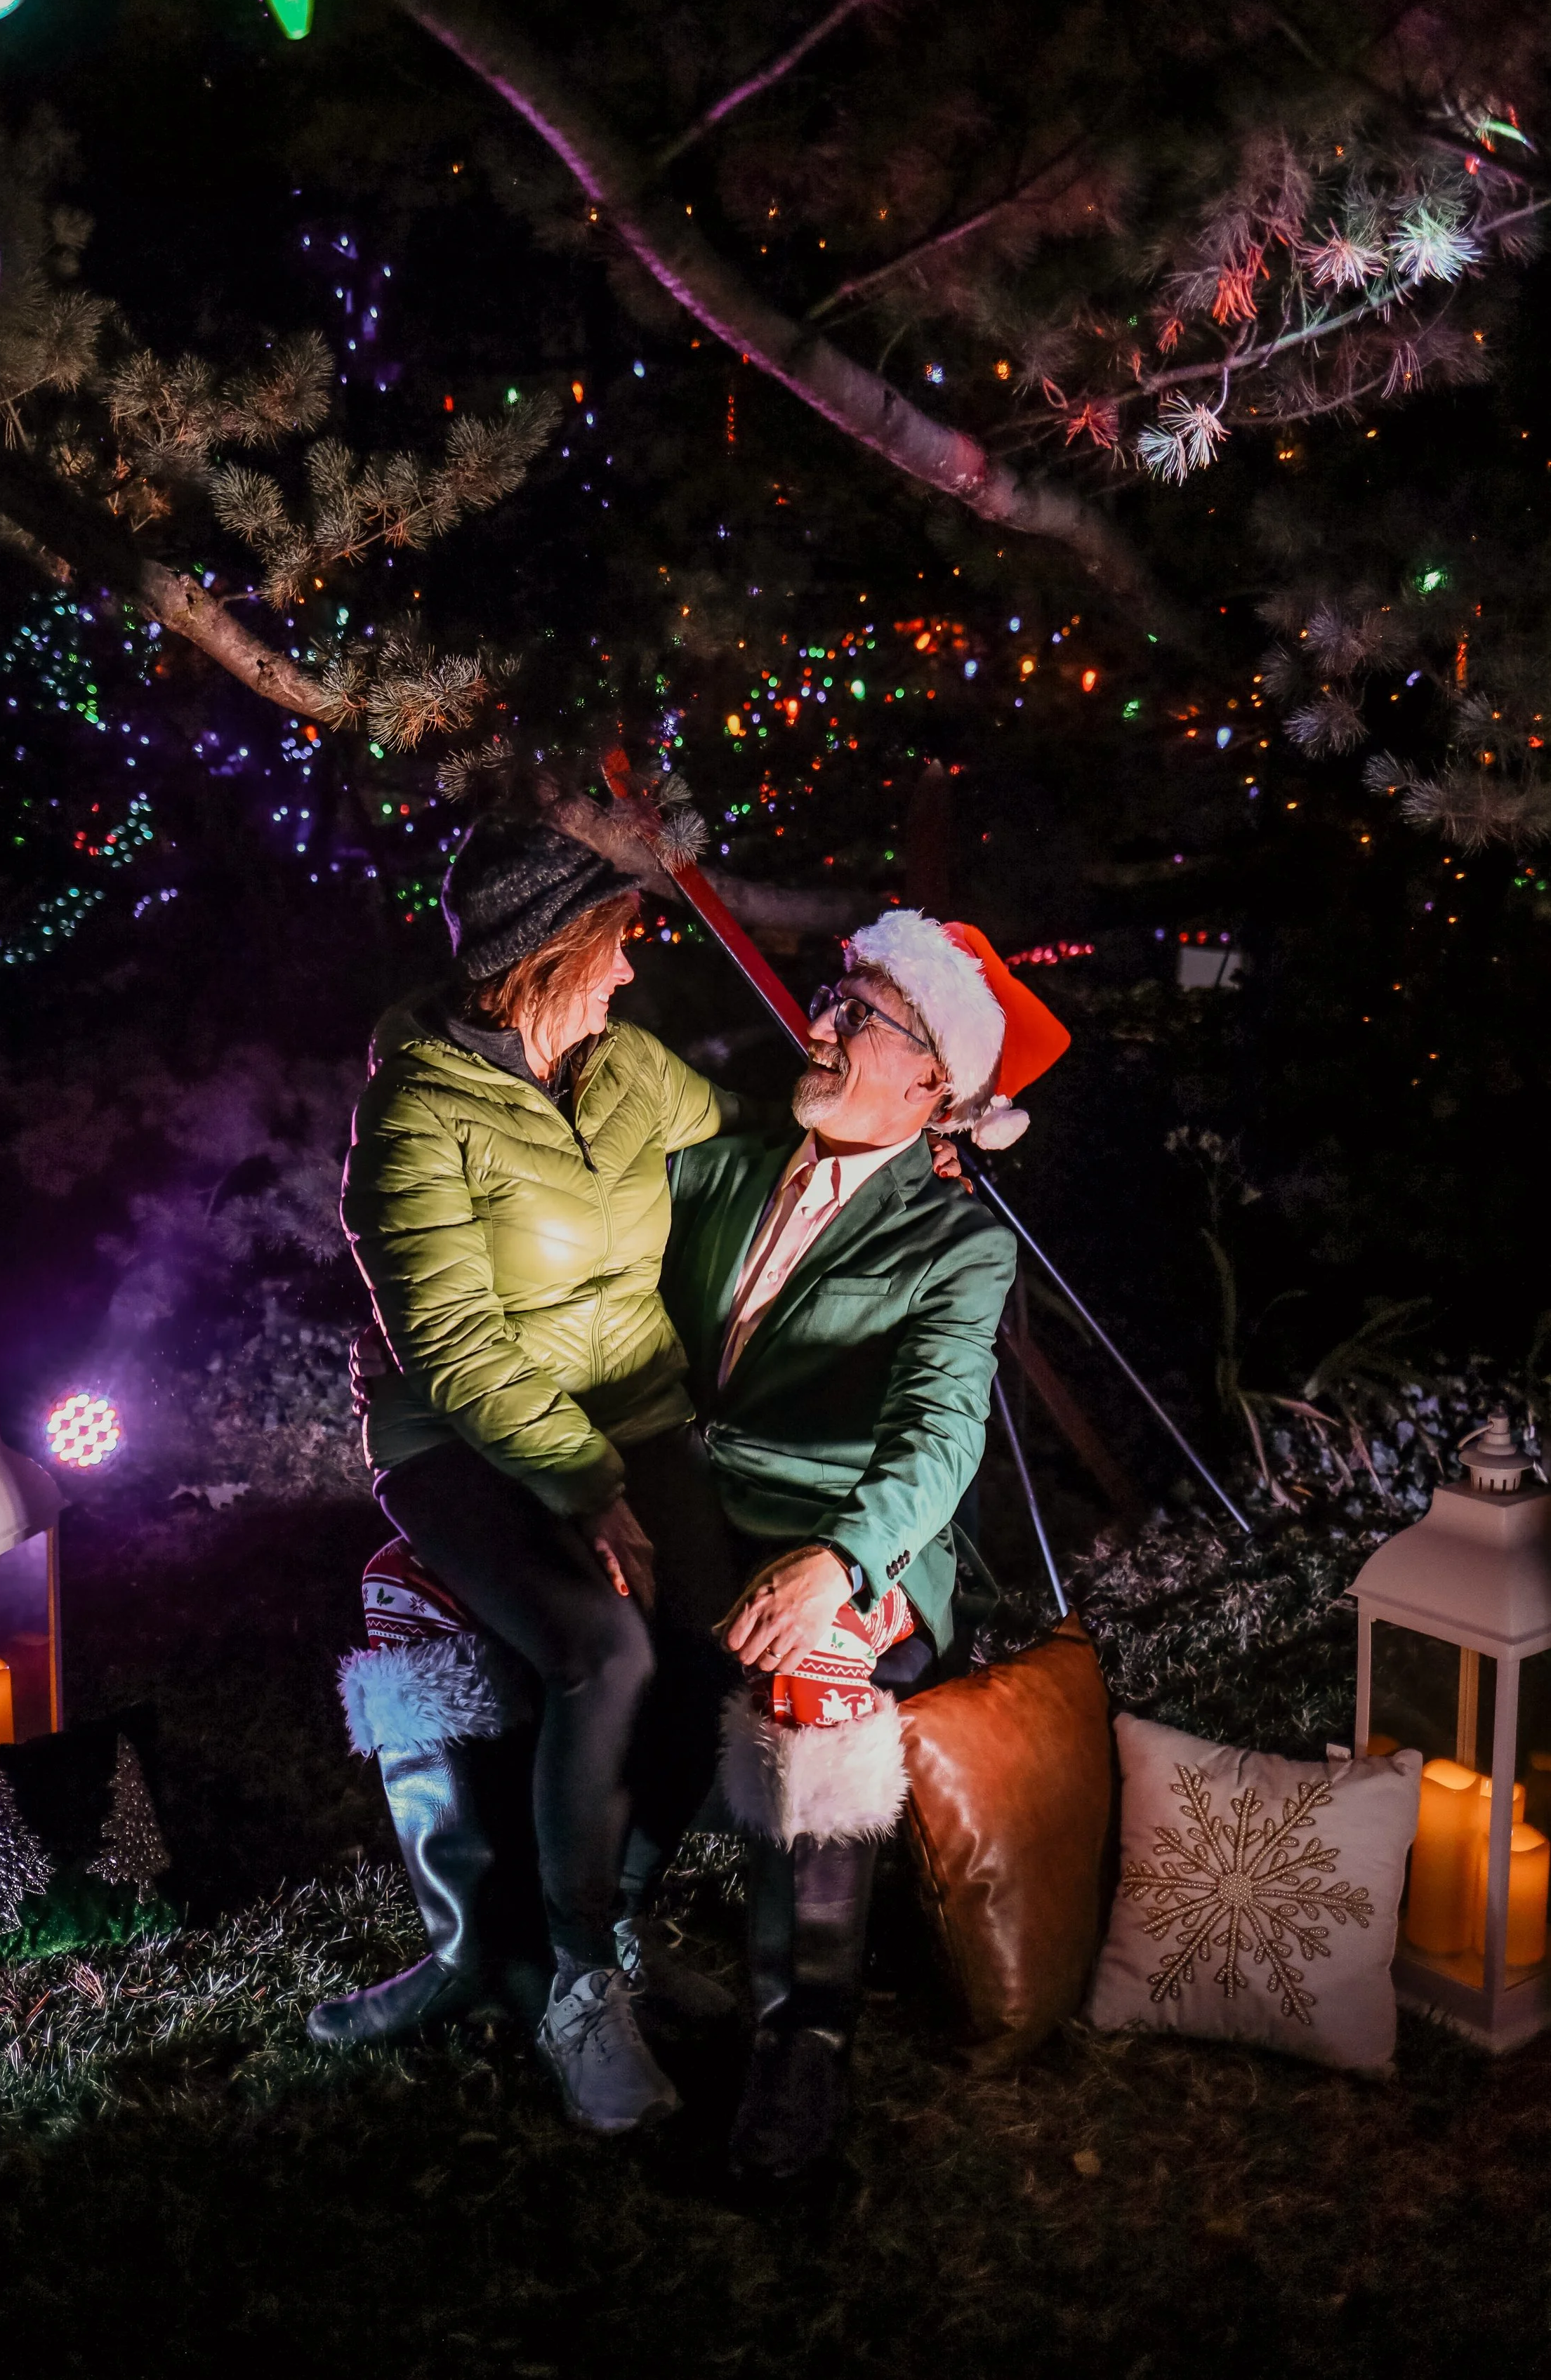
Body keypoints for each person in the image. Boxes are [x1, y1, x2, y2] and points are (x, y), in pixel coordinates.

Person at [307, 812, 741, 2134]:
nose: (630, 973)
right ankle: (575, 1984)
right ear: (549, 958)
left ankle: (608, 1916)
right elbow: (449, 1341)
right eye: (613, 947)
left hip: (635, 1409)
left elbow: (736, 1142)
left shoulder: (625, 1068)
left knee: (716, 1650)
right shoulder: (416, 1112)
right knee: (601, 1649)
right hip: (466, 1435)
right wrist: (584, 1484)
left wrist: (898, 1158)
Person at [638, 908, 1066, 2182]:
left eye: (856, 1013)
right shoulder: (719, 1161)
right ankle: (577, 1944)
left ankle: (803, 2040)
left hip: (845, 1542)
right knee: (440, 1586)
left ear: (933, 1079)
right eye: (831, 994)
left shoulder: (956, 1239)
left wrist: (843, 1557)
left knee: (817, 1661)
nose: (816, 1023)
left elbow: (940, 1433)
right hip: (691, 1508)